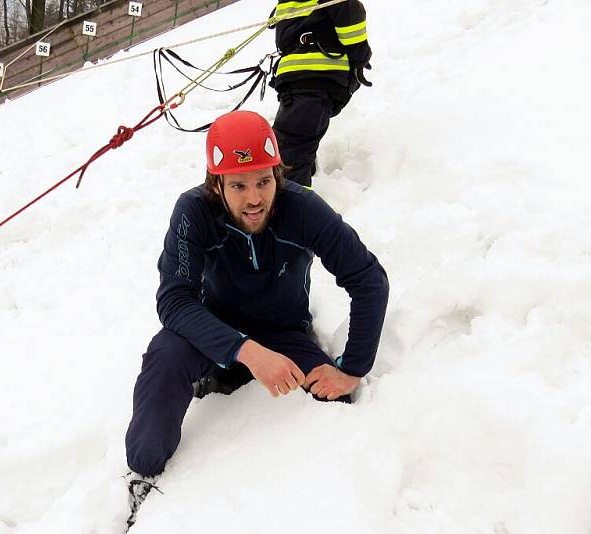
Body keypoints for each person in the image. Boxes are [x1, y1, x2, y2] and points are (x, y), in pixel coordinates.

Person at [123, 110, 388, 527]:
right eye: (239, 185)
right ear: (217, 185)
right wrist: (245, 350)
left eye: (264, 181)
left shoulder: (303, 208)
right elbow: (174, 300)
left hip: (282, 330)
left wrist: (352, 370)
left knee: (336, 399)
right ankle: (142, 474)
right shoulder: (193, 212)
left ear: (277, 175)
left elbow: (368, 278)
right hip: (214, 328)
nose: (254, 198)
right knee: (165, 356)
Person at [271, 0, 373, 187]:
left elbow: (348, 10)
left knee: (288, 155)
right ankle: (301, 196)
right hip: (307, 81)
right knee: (289, 150)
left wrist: (360, 56)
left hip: (312, 79)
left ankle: (296, 209)